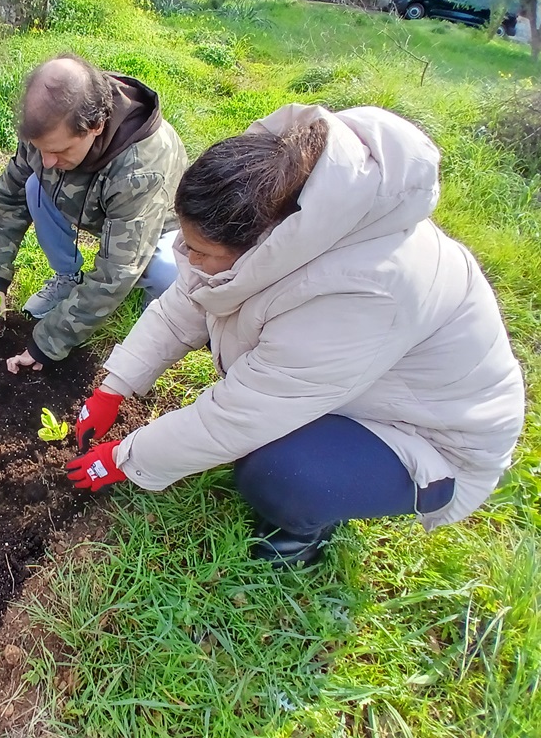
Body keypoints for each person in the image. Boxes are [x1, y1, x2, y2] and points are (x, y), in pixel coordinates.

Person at [66, 104, 525, 567]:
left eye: (202, 251)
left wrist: (126, 459)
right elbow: (190, 296)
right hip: (355, 385)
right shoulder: (281, 205)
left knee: (279, 473)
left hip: (429, 433)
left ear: (262, 247)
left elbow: (237, 418)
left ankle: (300, 537)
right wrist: (115, 387)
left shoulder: (364, 291)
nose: (190, 258)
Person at [0, 54, 187, 373]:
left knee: (163, 272)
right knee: (33, 185)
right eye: (40, 149)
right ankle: (68, 279)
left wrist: (48, 341)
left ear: (96, 126)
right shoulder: (50, 131)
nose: (46, 160)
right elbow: (9, 198)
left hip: (154, 224)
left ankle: (154, 323)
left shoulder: (139, 168)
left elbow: (117, 271)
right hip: (93, 206)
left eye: (59, 151)